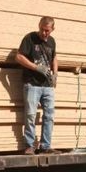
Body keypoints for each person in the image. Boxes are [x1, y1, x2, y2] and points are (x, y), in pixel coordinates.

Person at [15, 16, 59, 155]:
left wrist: (55, 73)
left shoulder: (52, 41)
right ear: (39, 26)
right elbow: (19, 57)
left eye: (47, 30)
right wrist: (36, 67)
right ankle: (29, 146)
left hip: (47, 85)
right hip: (32, 84)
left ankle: (45, 146)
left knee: (49, 116)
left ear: (52, 29)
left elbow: (54, 57)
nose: (44, 33)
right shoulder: (30, 38)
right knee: (30, 115)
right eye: (42, 29)